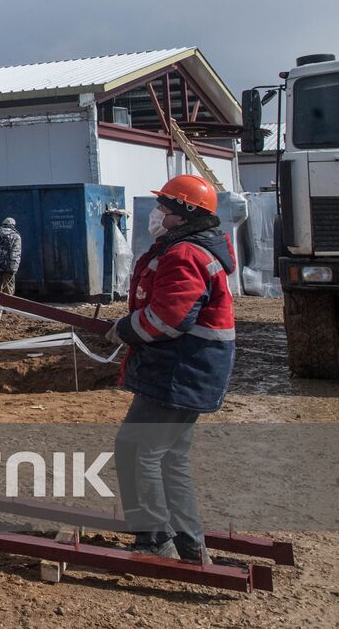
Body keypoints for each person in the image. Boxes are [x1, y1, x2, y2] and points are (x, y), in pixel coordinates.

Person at [107, 174, 236, 563]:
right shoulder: (193, 249)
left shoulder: (185, 254)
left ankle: (154, 542)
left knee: (136, 451)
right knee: (167, 456)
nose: (157, 213)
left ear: (183, 214)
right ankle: (189, 545)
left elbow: (168, 318)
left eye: (164, 207)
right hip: (189, 368)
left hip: (180, 370)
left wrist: (124, 330)